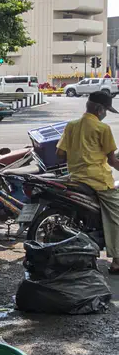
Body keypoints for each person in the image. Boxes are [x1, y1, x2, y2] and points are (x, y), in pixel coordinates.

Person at [57, 89, 119, 272]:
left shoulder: (71, 125)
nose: (106, 114)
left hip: (75, 178)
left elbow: (59, 153)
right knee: (117, 216)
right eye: (106, 110)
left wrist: (79, 153)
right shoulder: (102, 129)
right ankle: (117, 262)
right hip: (98, 181)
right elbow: (112, 161)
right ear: (99, 109)